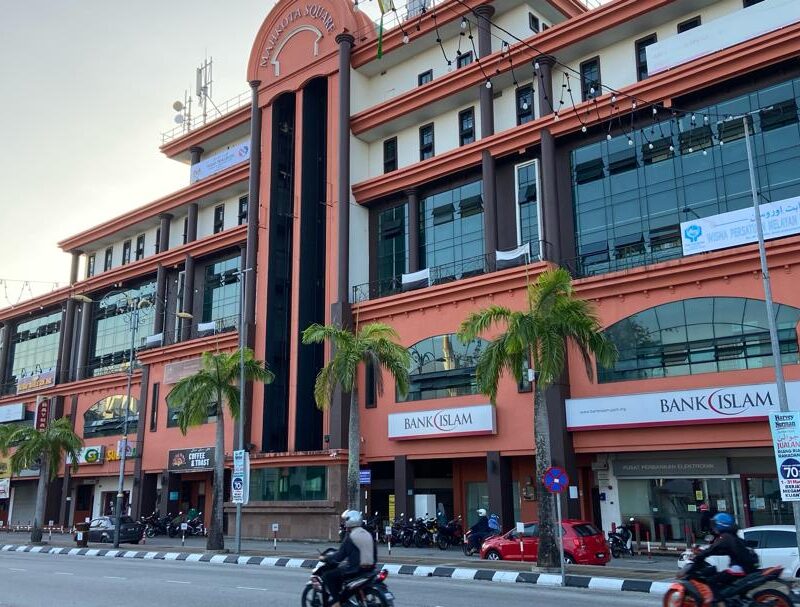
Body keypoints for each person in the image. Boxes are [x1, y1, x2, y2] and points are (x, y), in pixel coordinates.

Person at [695, 512, 758, 600]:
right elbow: (725, 550)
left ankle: (720, 603)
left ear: (721, 525)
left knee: (711, 581)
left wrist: (699, 556)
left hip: (739, 568)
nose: (714, 527)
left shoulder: (725, 537)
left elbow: (712, 549)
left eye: (715, 524)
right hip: (749, 568)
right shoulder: (733, 537)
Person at [322, 510, 377, 607]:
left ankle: (336, 603)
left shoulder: (351, 536)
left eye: (345, 520)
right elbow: (374, 554)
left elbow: (340, 555)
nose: (344, 523)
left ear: (350, 521)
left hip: (355, 570)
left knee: (328, 576)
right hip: (370, 569)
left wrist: (327, 558)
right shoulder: (368, 534)